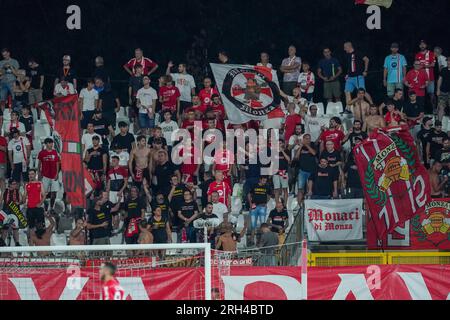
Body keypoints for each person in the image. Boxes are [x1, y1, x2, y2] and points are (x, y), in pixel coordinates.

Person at [37, 138, 61, 211]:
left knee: (54, 193)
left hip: (54, 176)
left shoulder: (55, 152)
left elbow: (57, 163)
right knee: (44, 193)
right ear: (46, 144)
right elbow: (39, 164)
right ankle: (44, 206)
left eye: (51, 143)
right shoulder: (42, 153)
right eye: (49, 143)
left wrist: (57, 173)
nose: (50, 144)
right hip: (45, 175)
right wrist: (39, 173)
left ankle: (52, 207)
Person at [249, 176, 271, 244]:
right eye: (263, 180)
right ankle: (252, 240)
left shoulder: (267, 187)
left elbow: (269, 196)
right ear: (260, 180)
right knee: (253, 224)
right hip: (254, 206)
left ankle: (262, 241)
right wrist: (250, 203)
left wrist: (265, 203)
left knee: (263, 225)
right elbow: (249, 194)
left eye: (265, 181)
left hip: (262, 206)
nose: (264, 182)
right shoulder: (254, 186)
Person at [23, 170, 46, 235]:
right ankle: (31, 242)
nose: (30, 175)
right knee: (31, 227)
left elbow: (44, 195)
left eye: (32, 174)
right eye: (29, 174)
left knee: (40, 226)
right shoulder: (27, 185)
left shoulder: (40, 183)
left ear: (35, 175)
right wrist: (23, 200)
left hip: (38, 208)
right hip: (30, 208)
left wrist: (40, 203)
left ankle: (40, 241)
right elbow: (24, 196)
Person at [415, 40, 436, 110]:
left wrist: (423, 66)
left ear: (426, 45)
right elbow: (416, 66)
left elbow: (433, 64)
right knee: (419, 96)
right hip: (420, 78)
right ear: (419, 46)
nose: (422, 46)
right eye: (421, 44)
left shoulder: (431, 53)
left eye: (424, 44)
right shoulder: (417, 55)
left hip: (430, 78)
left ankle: (434, 109)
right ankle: (420, 110)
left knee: (431, 94)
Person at [273, 140, 291, 204]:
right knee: (276, 189)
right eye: (278, 143)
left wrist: (282, 151)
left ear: (283, 144)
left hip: (283, 172)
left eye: (280, 143)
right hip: (276, 172)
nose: (279, 144)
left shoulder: (286, 151)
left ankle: (285, 205)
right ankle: (277, 204)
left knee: (285, 188)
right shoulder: (274, 151)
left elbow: (288, 160)